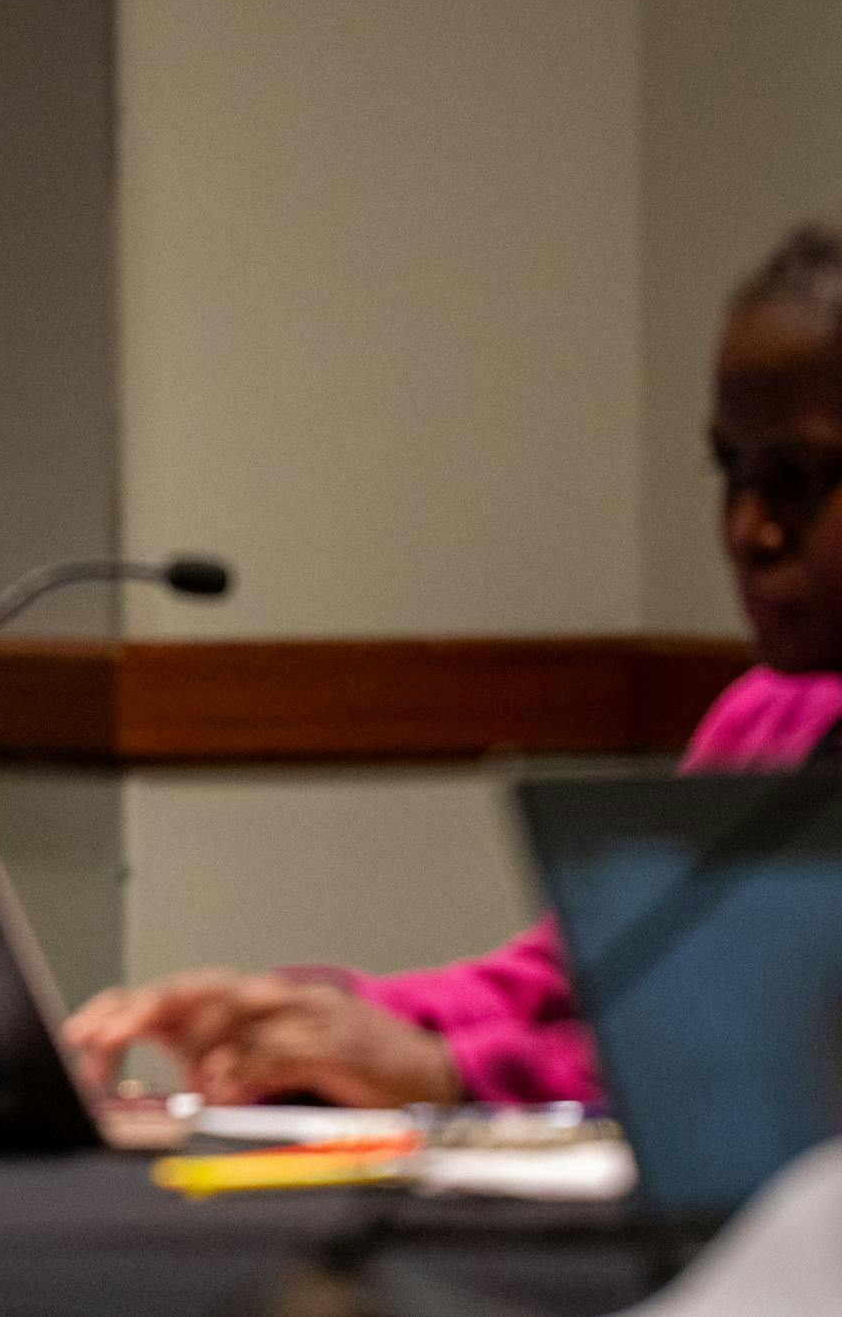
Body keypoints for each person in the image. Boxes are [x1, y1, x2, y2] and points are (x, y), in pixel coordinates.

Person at [66, 218, 842, 1105]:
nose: (750, 529)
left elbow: (782, 1060)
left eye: (798, 480)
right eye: (733, 472)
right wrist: (307, 1017)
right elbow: (578, 978)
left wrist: (448, 1075)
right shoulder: (768, 717)